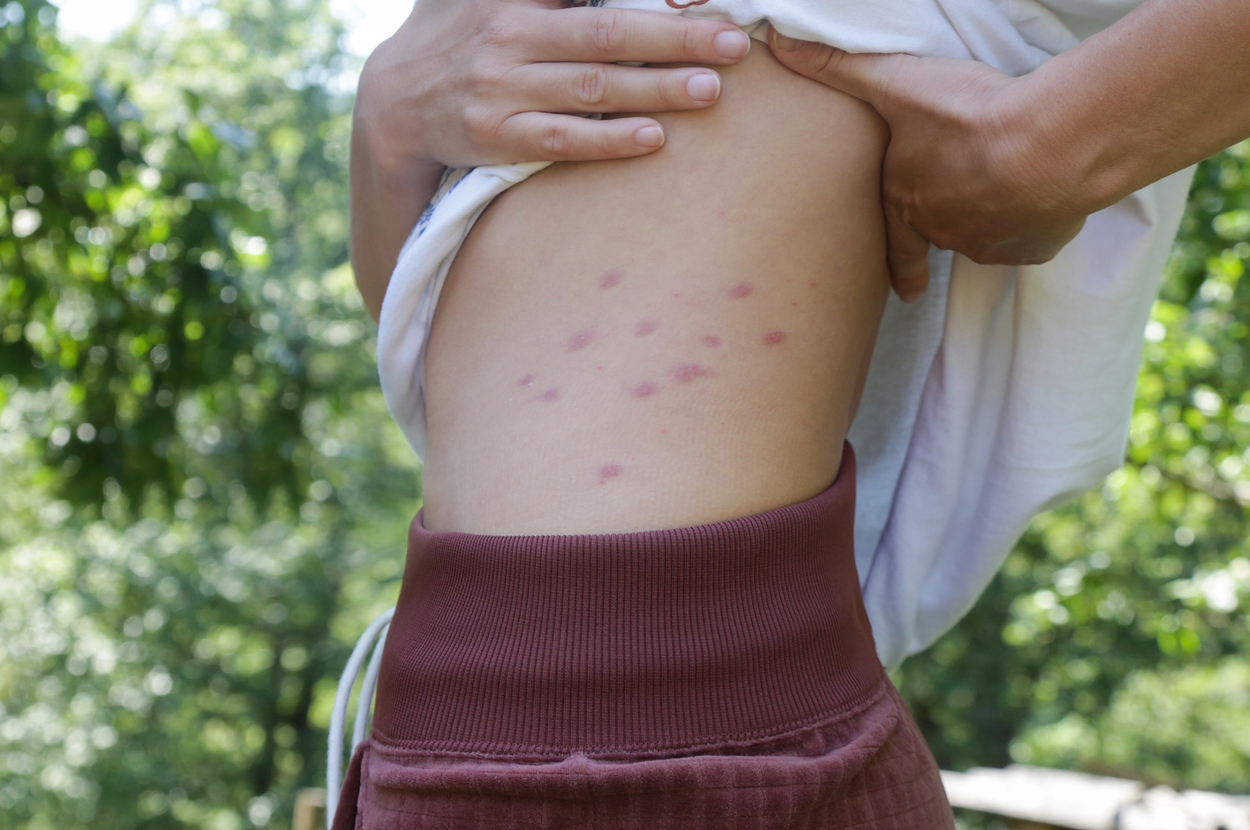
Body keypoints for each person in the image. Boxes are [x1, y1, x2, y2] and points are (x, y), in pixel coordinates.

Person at [330, 0, 1250, 827]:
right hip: (475, 705)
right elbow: (425, 315)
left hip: (691, 719)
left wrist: (1066, 133)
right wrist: (389, 111)